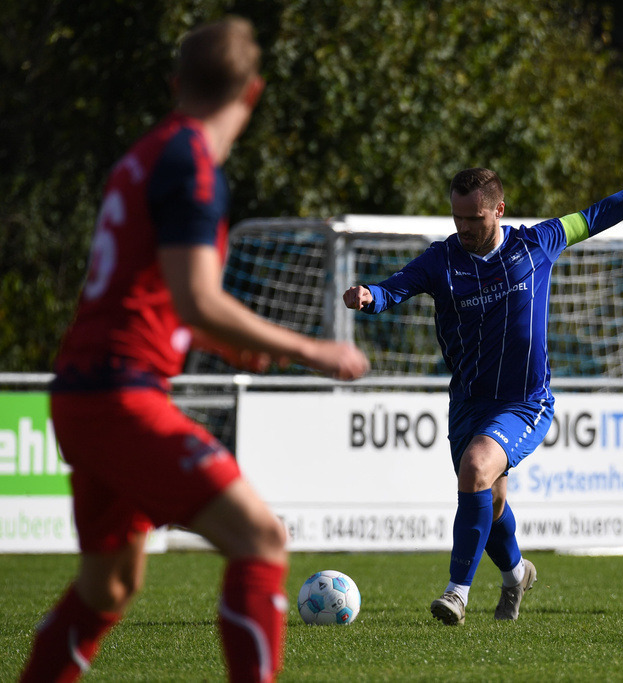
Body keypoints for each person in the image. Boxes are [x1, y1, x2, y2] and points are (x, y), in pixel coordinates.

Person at [19, 17, 368, 683]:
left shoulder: (146, 152)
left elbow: (159, 292)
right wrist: (310, 348)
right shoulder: (194, 166)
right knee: (260, 538)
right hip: (121, 394)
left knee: (109, 587)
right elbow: (197, 298)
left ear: (178, 84)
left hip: (86, 390)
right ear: (254, 93)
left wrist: (215, 340)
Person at [343, 159, 623, 625]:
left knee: (475, 467)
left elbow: (600, 213)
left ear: (499, 208)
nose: (465, 228)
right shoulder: (442, 260)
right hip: (468, 402)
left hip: (525, 402)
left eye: (474, 219)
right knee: (490, 502)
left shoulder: (537, 242)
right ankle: (517, 574)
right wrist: (370, 296)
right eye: (457, 218)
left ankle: (456, 592)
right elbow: (395, 288)